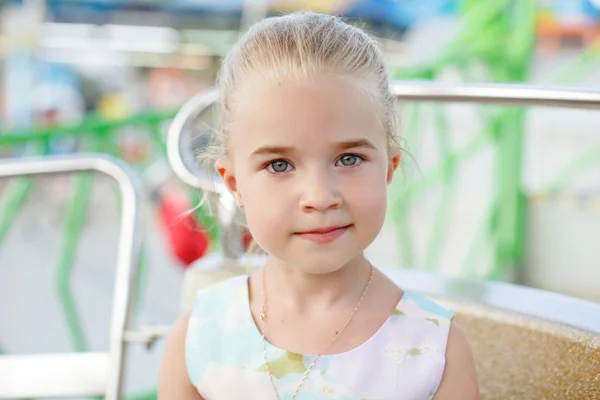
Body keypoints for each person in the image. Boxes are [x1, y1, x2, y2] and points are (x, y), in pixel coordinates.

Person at [159, 11, 479, 400]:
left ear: (389, 167)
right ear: (234, 183)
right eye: (279, 165)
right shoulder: (199, 338)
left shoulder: (434, 352)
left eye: (349, 159)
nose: (320, 196)